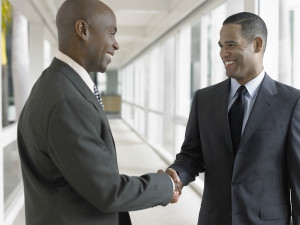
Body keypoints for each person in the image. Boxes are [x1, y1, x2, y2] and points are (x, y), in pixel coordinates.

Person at [17, 0, 182, 225]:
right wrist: (165, 185)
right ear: (82, 30)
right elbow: (108, 191)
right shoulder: (66, 100)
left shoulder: (56, 84)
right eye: (111, 33)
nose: (116, 45)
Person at [164, 12, 300, 225]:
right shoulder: (204, 99)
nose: (223, 53)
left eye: (231, 45)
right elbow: (192, 154)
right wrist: (177, 174)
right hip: (214, 218)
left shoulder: (292, 102)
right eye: (220, 46)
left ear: (257, 44)